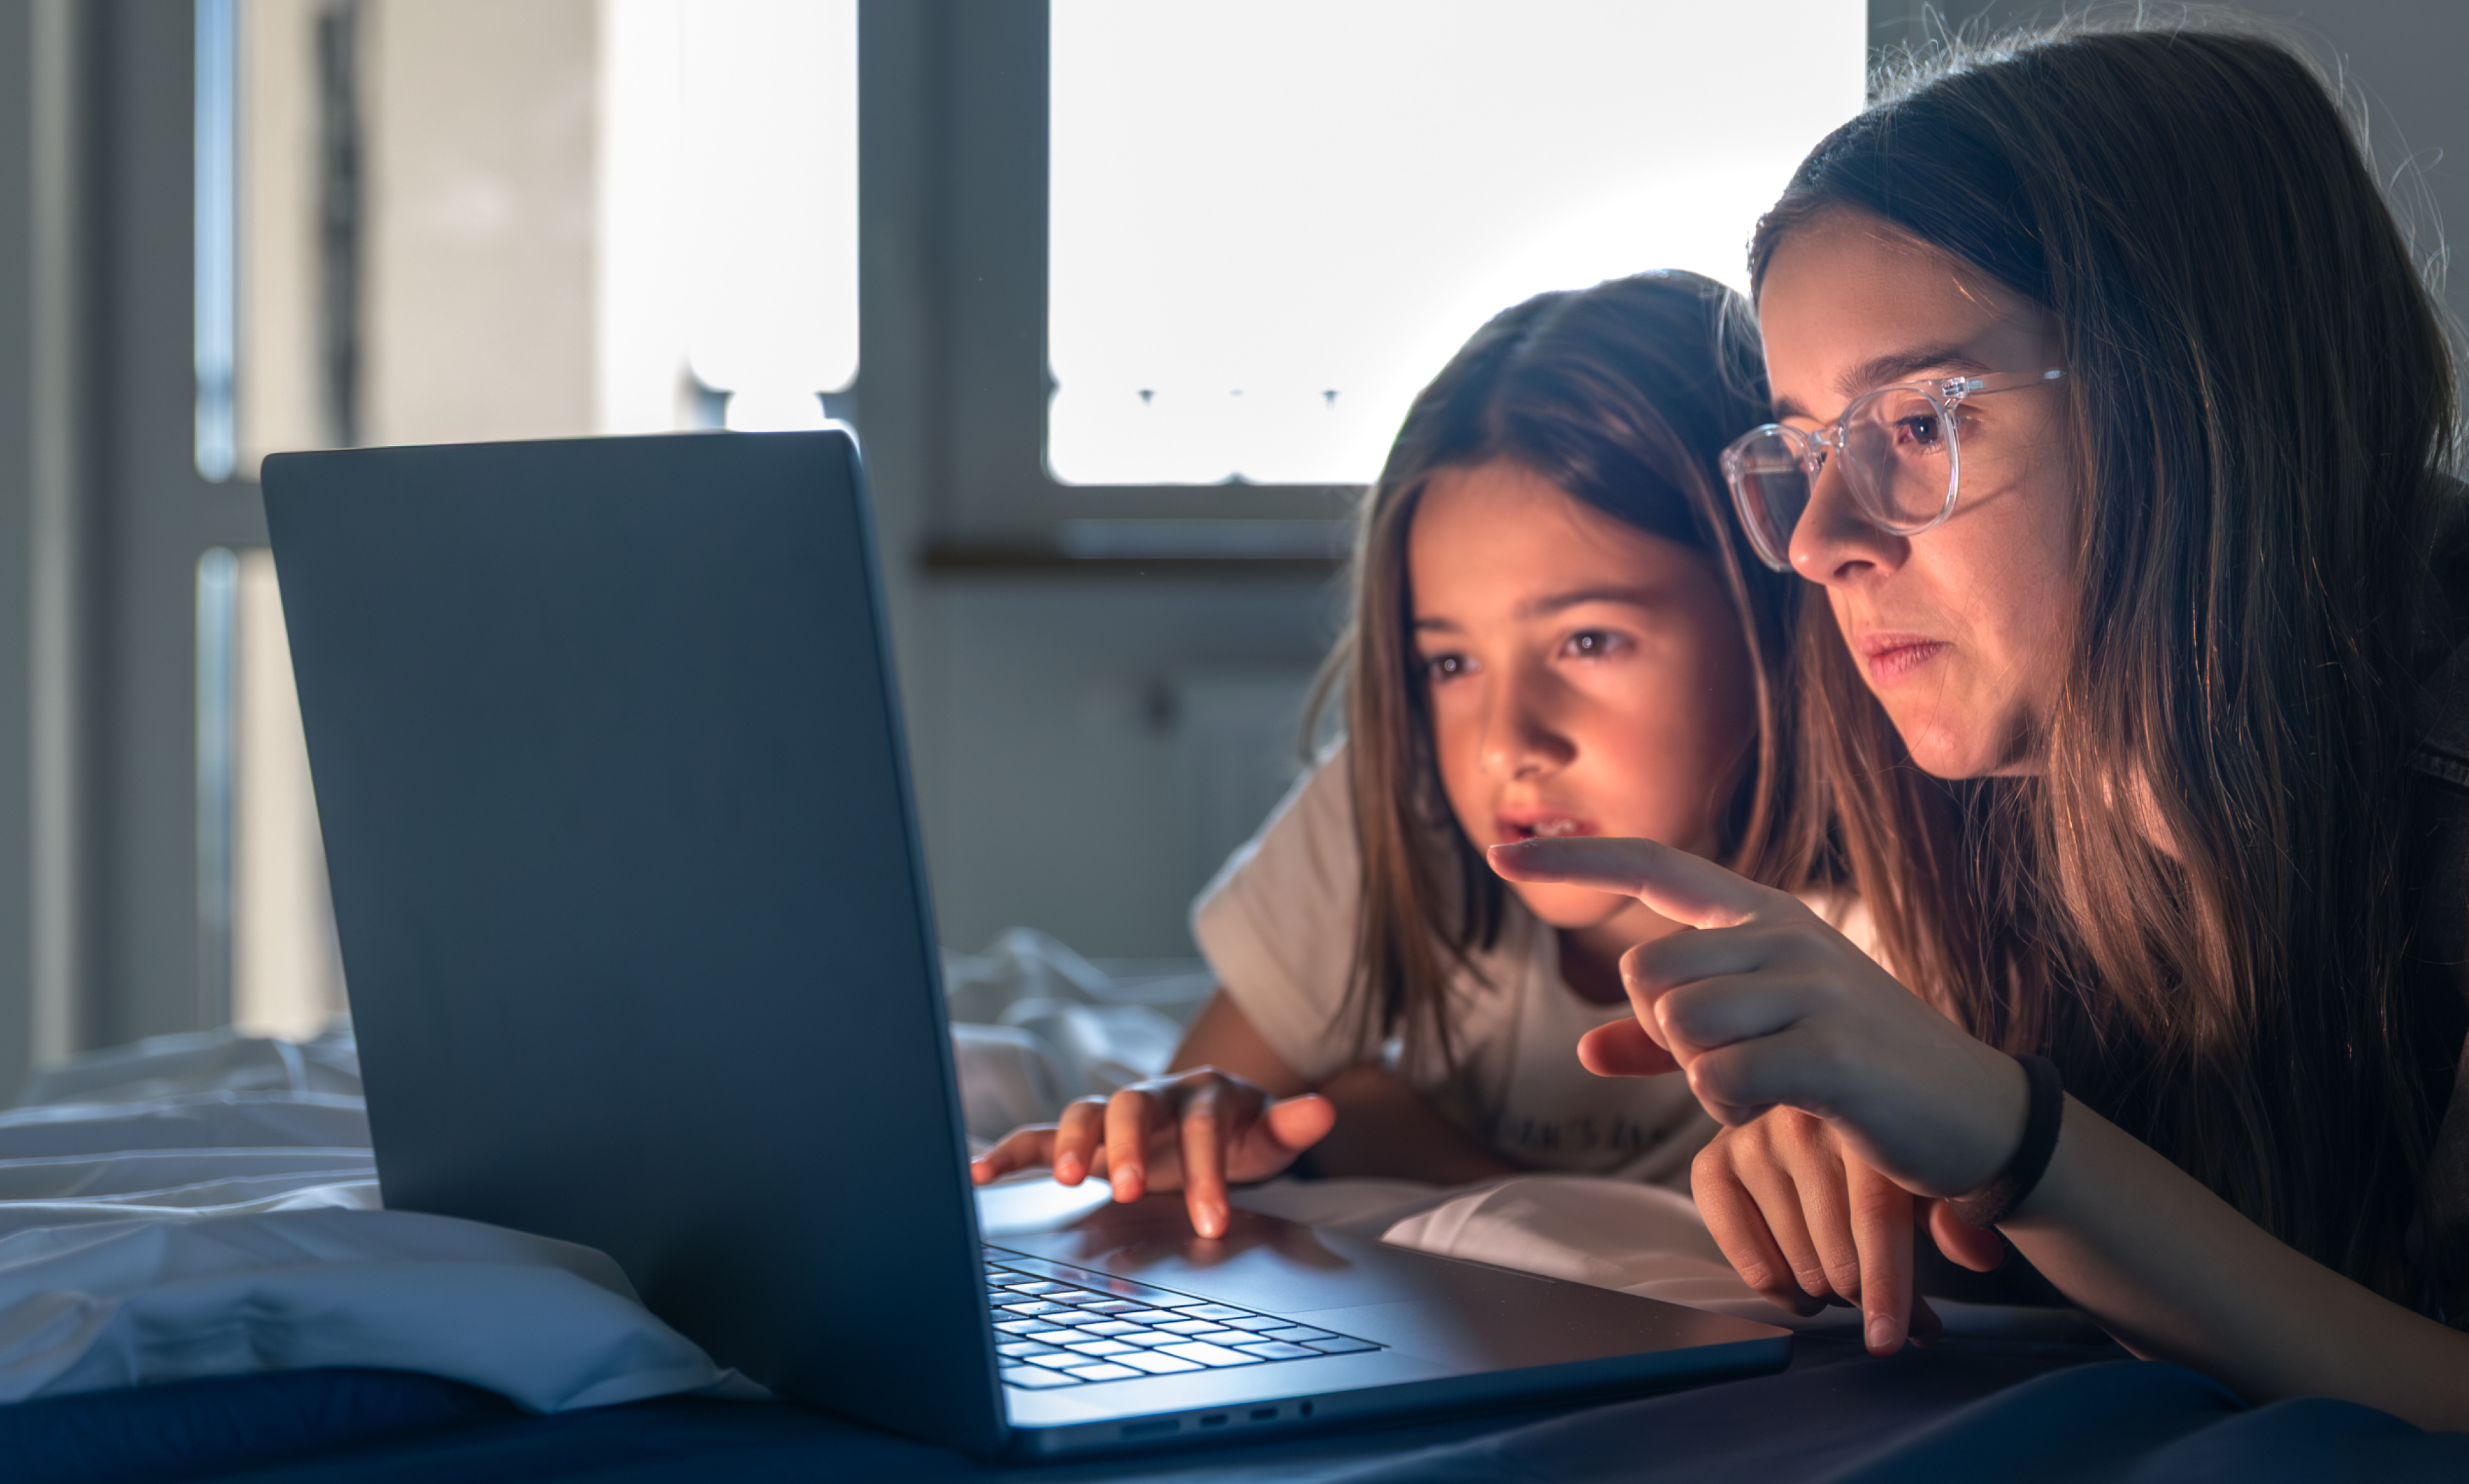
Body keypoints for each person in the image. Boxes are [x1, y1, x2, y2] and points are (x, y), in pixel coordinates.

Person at [1494, 21, 2469, 1426]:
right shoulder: (1993, 780)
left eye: (1915, 423)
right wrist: (1870, 1150)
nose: (1821, 538)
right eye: (1805, 449)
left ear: (2199, 398)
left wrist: (2018, 1144)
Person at [971, 272, 1839, 1241]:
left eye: (1589, 642)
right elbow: (1214, 1107)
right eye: (1451, 662)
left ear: (1774, 611)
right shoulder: (1397, 799)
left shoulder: (1882, 935)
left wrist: (1380, 1124)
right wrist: (1212, 1122)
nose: (1508, 743)